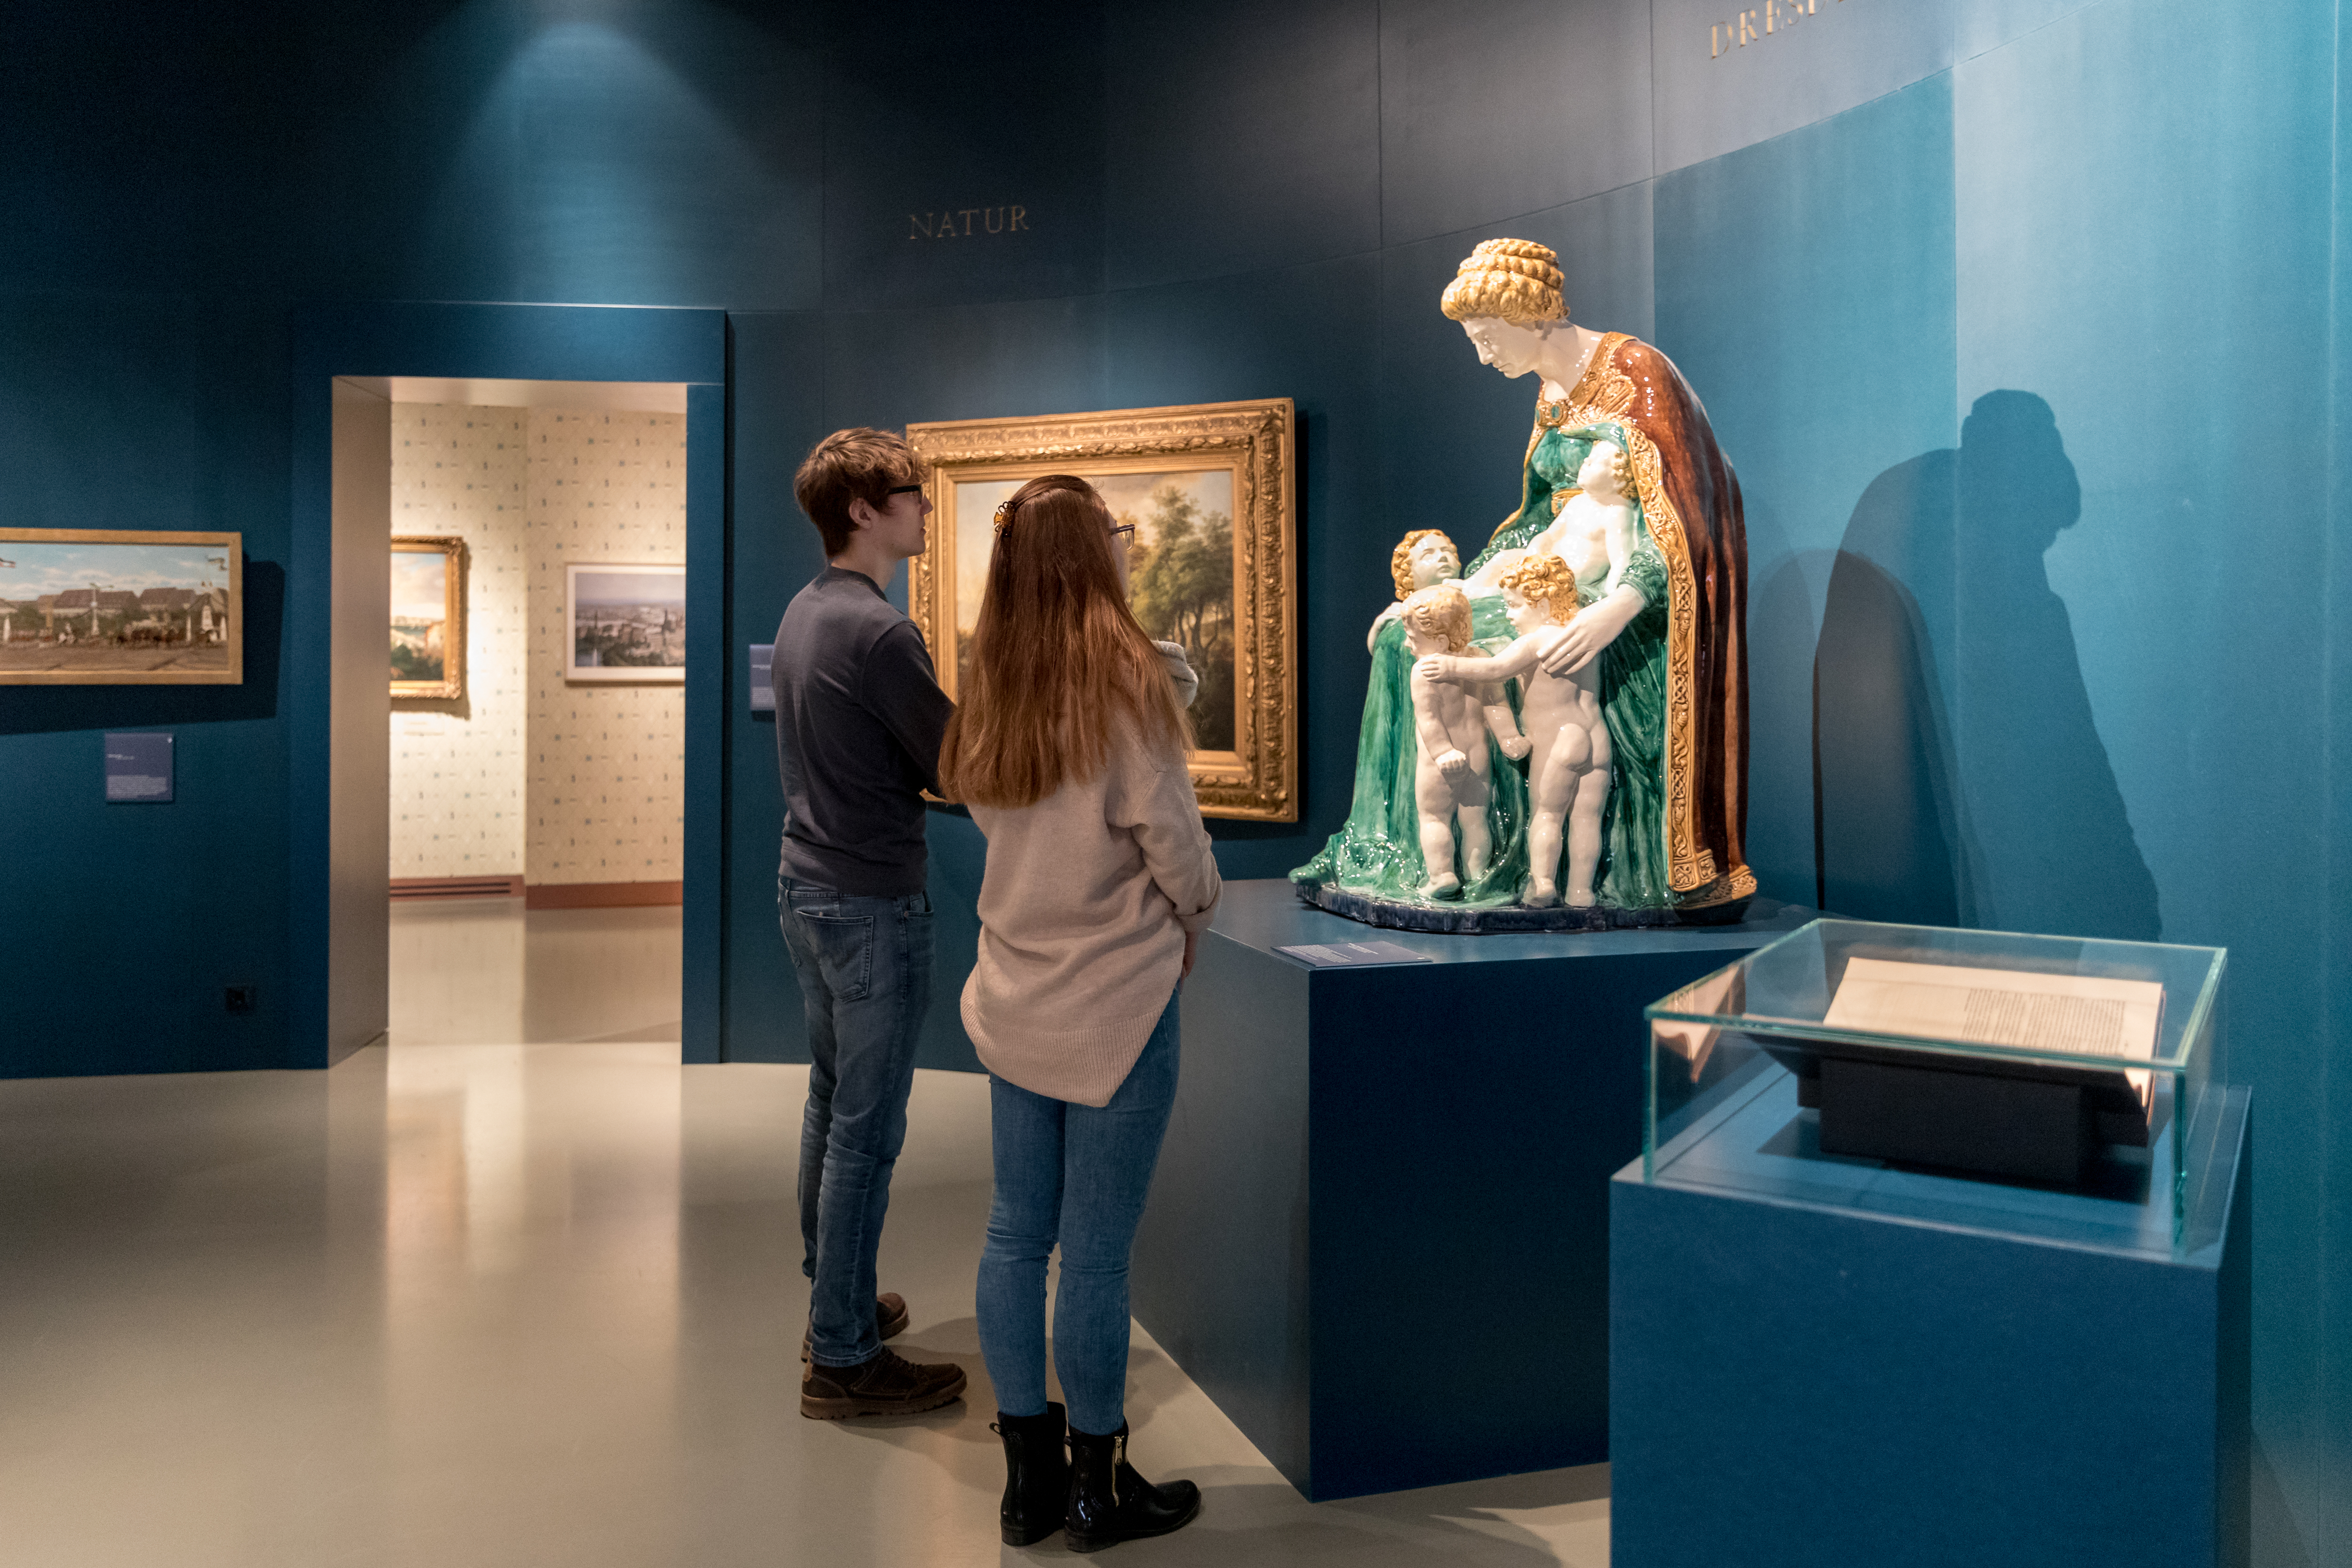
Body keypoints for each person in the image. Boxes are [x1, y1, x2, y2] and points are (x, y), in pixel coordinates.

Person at [938, 475, 1222, 1553]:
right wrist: (1197, 907)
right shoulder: (1127, 682)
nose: (1126, 539)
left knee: (1015, 1237)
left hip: (1014, 992)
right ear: (1090, 552)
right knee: (1096, 1257)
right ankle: (1099, 1486)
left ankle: (1027, 1487)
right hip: (1118, 995)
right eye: (1115, 529)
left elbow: (983, 806)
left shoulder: (994, 683)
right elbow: (1173, 842)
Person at [773, 427, 967, 1420]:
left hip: (808, 886)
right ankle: (843, 1357)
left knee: (830, 1103)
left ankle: (832, 1303)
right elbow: (957, 767)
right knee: (866, 1131)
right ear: (863, 508)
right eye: (910, 492)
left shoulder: (812, 610)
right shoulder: (881, 630)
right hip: (868, 902)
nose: (924, 506)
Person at [1421, 554, 1611, 907]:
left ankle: (1543, 884)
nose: (1509, 614)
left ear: (1540, 604)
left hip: (1559, 738)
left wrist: (1449, 664)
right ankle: (1582, 892)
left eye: (1513, 605)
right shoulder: (1585, 638)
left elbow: (1495, 669)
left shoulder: (1537, 640)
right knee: (1587, 819)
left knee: (1549, 815)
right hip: (1596, 736)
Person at [1399, 583, 1518, 897]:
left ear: (1439, 641)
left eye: (1413, 639)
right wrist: (1509, 737)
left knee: (1435, 818)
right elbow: (1497, 702)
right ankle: (1478, 876)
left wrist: (1442, 753)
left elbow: (1429, 719)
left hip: (1440, 763)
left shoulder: (1424, 672)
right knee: (1475, 820)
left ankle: (1442, 876)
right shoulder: (1481, 658)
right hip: (1478, 757)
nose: (1407, 644)